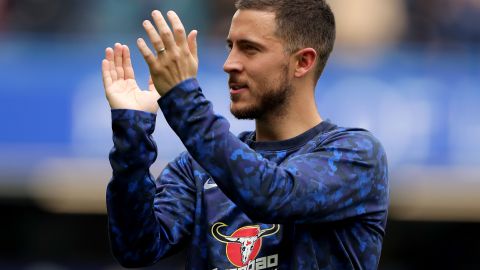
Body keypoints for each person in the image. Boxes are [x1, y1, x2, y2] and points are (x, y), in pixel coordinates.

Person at [101, 0, 389, 269]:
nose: (230, 63)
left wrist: (182, 97)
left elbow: (273, 195)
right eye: (231, 47)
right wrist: (133, 133)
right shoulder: (197, 168)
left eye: (249, 49)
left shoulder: (356, 155)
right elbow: (136, 248)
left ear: (303, 62)